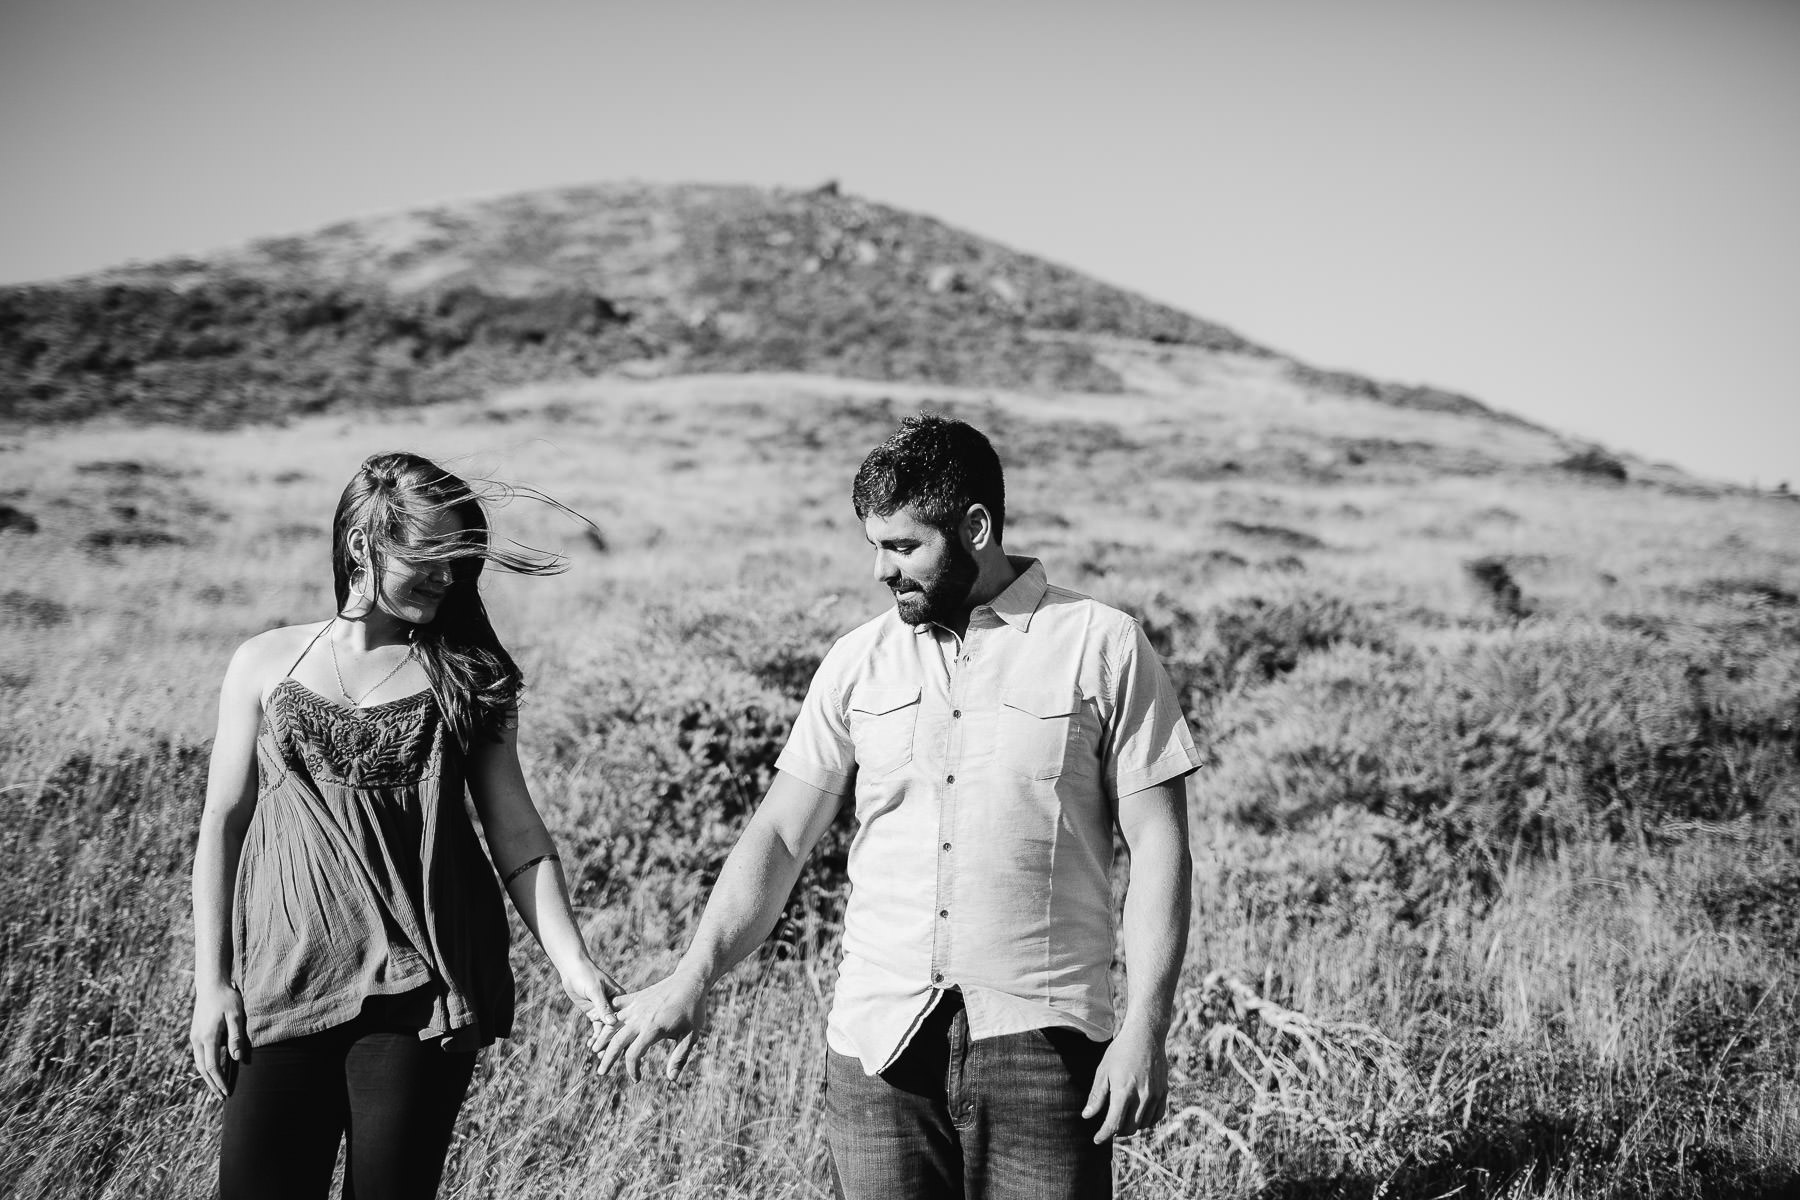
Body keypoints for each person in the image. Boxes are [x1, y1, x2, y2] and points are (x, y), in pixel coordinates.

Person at [597, 414, 1199, 1198]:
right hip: (878, 1047)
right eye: (874, 546)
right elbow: (780, 834)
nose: (882, 569)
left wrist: (1146, 1028)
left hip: (1043, 1043)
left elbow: (1161, 848)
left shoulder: (1102, 645)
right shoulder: (856, 662)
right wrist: (695, 974)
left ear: (976, 526)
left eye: (904, 546)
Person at [189, 451, 620, 1200]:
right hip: (281, 987)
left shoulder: (468, 673)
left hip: (420, 1000)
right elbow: (222, 824)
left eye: (460, 561)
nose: (449, 577)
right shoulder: (262, 662)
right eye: (431, 556)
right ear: (364, 544)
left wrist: (573, 963)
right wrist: (211, 984)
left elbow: (516, 831)